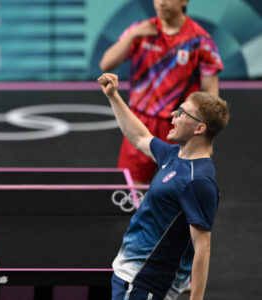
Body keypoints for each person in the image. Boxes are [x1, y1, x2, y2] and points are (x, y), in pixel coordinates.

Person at [98, 73, 229, 300]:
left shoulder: (196, 181)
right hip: (131, 275)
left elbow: (203, 248)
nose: (173, 116)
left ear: (199, 129)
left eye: (182, 113)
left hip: (146, 283)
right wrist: (114, 96)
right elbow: (140, 137)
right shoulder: (174, 155)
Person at [99, 0, 223, 184]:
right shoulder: (140, 30)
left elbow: (211, 92)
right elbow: (106, 64)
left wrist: (208, 137)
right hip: (139, 122)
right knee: (131, 191)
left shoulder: (200, 40)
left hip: (179, 124)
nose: (161, 3)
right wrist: (133, 35)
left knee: (179, 188)